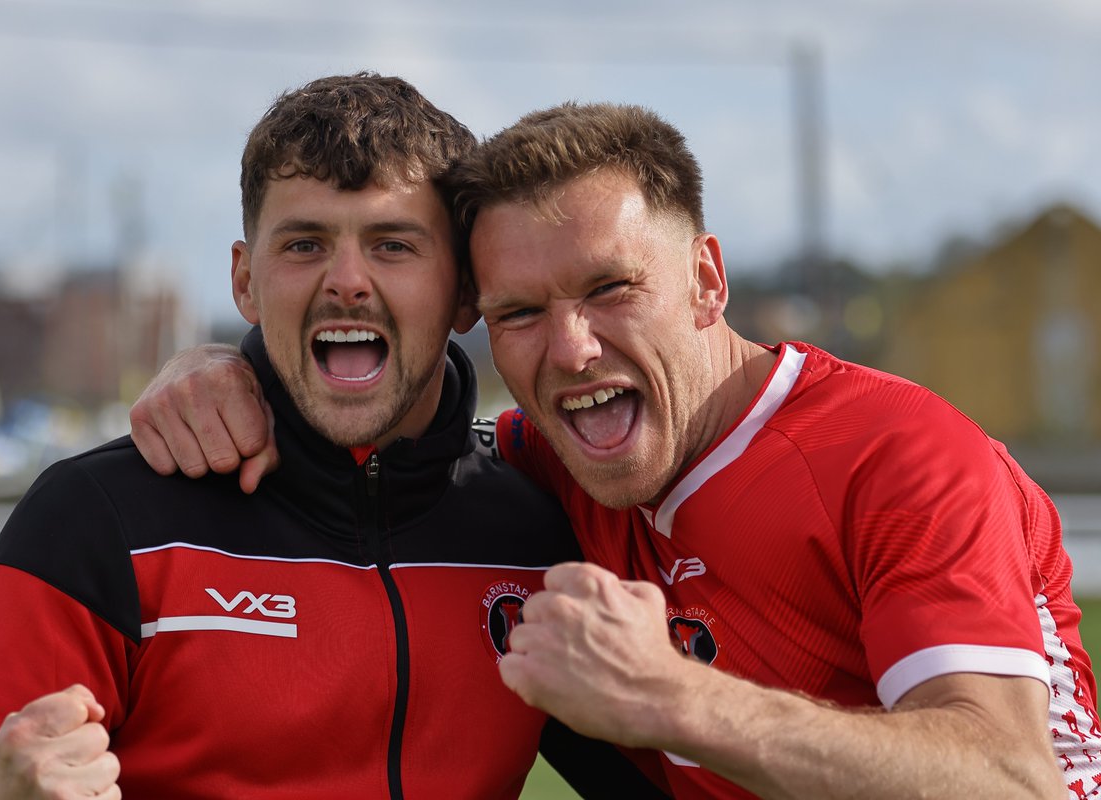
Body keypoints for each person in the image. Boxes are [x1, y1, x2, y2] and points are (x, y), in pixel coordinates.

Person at [129, 99, 1101, 799]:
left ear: (707, 281)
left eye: (609, 289)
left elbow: (1010, 779)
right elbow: (388, 453)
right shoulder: (543, 457)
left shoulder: (899, 456)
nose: (570, 347)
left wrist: (669, 695)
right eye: (519, 311)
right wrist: (235, 371)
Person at [0, 75, 666, 800]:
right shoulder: (98, 516)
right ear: (244, 281)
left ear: (464, 290)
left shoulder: (538, 526)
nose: (347, 280)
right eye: (304, 244)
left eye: (393, 245)